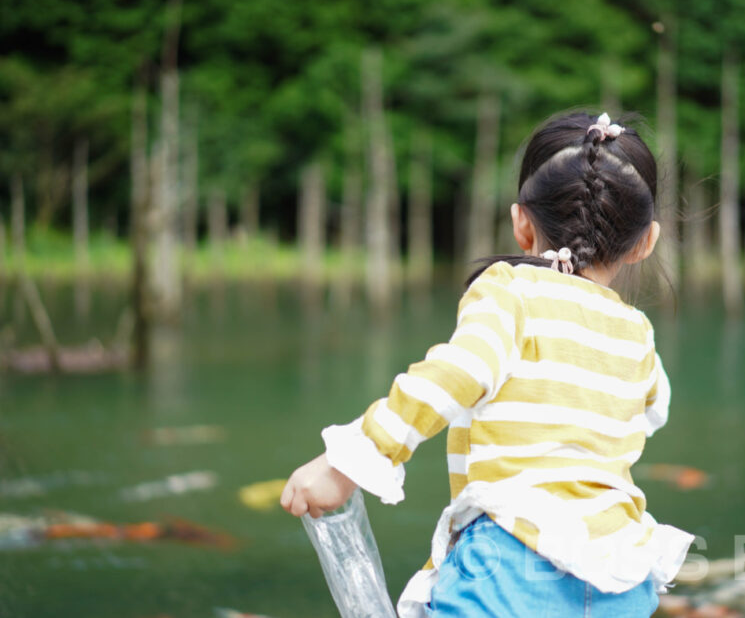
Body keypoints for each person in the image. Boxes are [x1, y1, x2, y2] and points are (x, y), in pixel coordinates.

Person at [281, 111, 694, 617]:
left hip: (511, 567)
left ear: (522, 224)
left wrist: (348, 462)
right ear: (646, 242)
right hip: (620, 578)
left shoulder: (510, 291)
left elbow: (457, 373)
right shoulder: (637, 334)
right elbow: (654, 408)